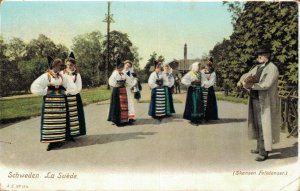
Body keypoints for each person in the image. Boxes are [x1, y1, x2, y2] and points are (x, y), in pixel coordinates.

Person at [238, 44, 280, 161]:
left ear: (268, 55)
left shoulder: (272, 68)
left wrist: (250, 85)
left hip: (265, 100)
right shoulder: (258, 67)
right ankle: (259, 146)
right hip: (255, 97)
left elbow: (266, 84)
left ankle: (263, 152)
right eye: (258, 55)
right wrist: (242, 81)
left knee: (263, 125)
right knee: (256, 123)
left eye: (262, 54)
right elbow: (246, 75)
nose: (259, 56)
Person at [30, 57, 77, 151]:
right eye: (57, 65)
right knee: (50, 120)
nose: (59, 67)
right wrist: (44, 92)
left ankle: (59, 140)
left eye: (59, 65)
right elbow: (34, 87)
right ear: (53, 66)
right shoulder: (46, 76)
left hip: (60, 101)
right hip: (50, 102)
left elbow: (72, 86)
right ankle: (51, 142)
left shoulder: (62, 76)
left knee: (59, 120)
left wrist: (66, 92)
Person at [60, 52, 86, 141]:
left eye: (70, 65)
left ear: (73, 65)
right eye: (67, 65)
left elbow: (79, 87)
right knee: (65, 116)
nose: (69, 66)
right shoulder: (62, 73)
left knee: (74, 116)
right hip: (64, 97)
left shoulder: (77, 75)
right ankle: (65, 134)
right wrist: (64, 92)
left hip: (74, 97)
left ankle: (72, 134)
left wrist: (70, 92)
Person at [108, 58, 134, 127]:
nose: (121, 69)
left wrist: (127, 84)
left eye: (121, 67)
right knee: (116, 106)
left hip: (123, 91)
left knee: (123, 106)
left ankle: (123, 120)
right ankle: (116, 120)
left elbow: (129, 81)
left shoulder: (123, 73)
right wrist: (115, 85)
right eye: (119, 67)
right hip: (116, 91)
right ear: (117, 67)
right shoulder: (115, 73)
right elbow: (110, 81)